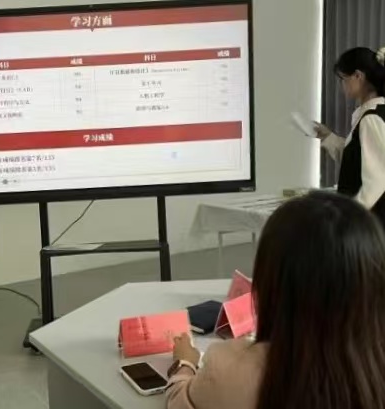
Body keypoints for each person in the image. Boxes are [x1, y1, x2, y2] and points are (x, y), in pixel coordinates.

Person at [165, 192, 385, 409]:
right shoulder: (372, 373)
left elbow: (178, 402)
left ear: (270, 279)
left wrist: (184, 364)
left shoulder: (231, 369)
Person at [315, 47, 385, 227]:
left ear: (358, 76)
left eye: (343, 79)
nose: (342, 85)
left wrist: (348, 218)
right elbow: (359, 159)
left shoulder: (371, 118)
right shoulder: (374, 113)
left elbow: (376, 181)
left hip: (371, 224)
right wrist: (328, 136)